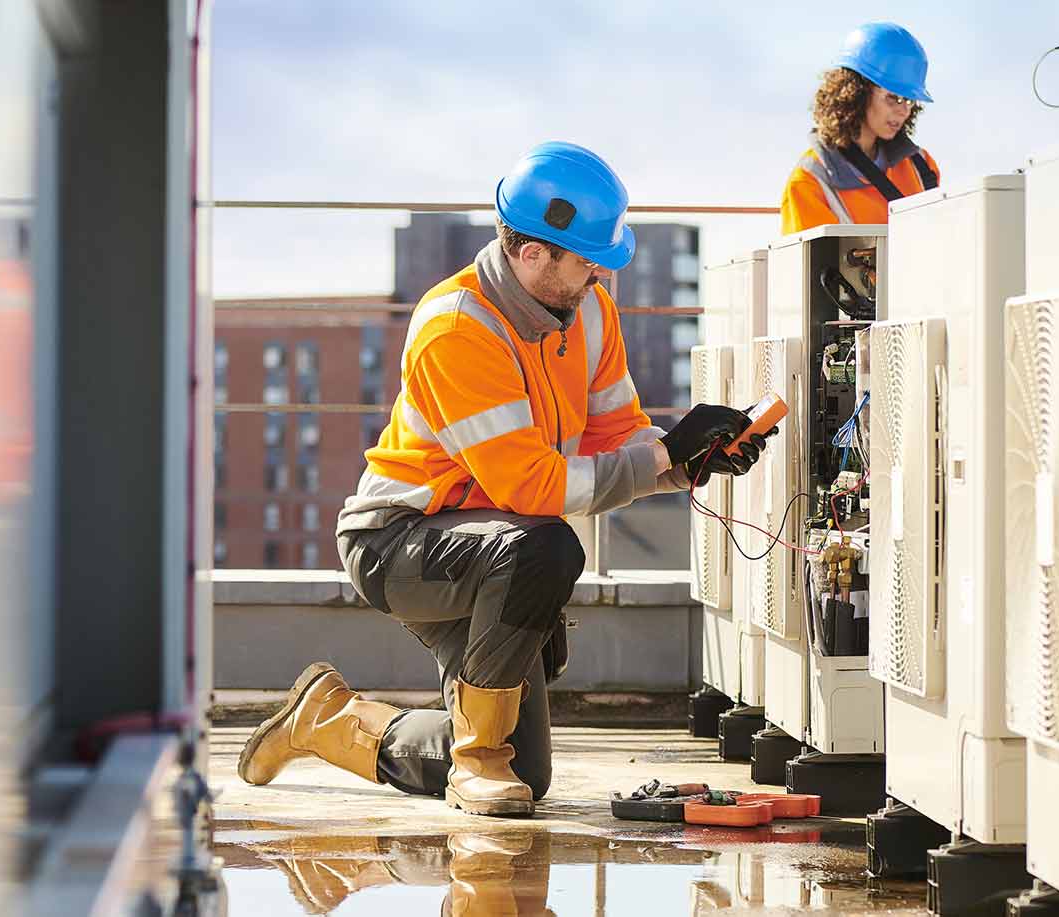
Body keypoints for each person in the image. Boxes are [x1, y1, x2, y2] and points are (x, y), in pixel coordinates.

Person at [235, 141, 773, 817]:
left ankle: (328, 721)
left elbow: (617, 437)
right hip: (401, 541)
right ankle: (476, 762)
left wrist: (687, 459)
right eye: (586, 262)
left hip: (496, 544)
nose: (599, 279)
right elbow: (529, 486)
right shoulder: (456, 328)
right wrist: (662, 457)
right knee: (547, 547)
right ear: (531, 254)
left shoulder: (590, 314)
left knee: (532, 773)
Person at [780, 21, 941, 235]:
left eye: (909, 100)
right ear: (856, 92)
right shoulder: (809, 182)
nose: (904, 111)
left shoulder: (922, 166)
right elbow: (814, 265)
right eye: (894, 97)